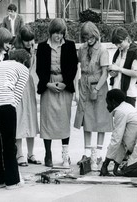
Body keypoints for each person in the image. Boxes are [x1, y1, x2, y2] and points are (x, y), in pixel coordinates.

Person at [0, 49, 30, 189]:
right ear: (25, 61)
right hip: (4, 102)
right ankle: (12, 181)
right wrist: (6, 115)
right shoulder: (23, 69)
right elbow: (17, 94)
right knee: (9, 143)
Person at [36, 18, 78, 168]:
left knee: (63, 119)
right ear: (51, 32)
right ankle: (48, 154)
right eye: (56, 33)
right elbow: (39, 69)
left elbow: (73, 67)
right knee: (47, 120)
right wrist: (47, 84)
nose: (58, 36)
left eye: (61, 33)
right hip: (48, 84)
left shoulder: (70, 45)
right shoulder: (42, 47)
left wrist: (65, 82)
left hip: (64, 84)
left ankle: (65, 154)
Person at [74, 21, 113, 171]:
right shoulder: (82, 49)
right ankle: (86, 153)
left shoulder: (103, 50)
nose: (87, 41)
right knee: (87, 120)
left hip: (99, 86)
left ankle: (99, 154)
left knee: (101, 120)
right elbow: (78, 68)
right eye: (85, 38)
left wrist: (96, 89)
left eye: (89, 37)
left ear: (95, 35)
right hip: (84, 85)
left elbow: (105, 73)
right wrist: (77, 90)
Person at [13, 25, 41, 167]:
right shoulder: (16, 52)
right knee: (19, 119)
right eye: (27, 41)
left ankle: (31, 153)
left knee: (30, 118)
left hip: (29, 87)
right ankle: (20, 154)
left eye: (32, 40)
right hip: (18, 86)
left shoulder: (32, 51)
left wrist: (33, 52)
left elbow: (32, 69)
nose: (30, 43)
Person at [109, 26, 137, 107]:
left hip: (128, 94)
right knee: (118, 118)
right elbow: (117, 70)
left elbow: (136, 73)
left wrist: (119, 69)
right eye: (116, 44)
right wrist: (113, 72)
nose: (117, 46)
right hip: (116, 91)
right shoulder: (118, 52)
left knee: (127, 118)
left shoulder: (134, 53)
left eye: (119, 43)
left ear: (127, 39)